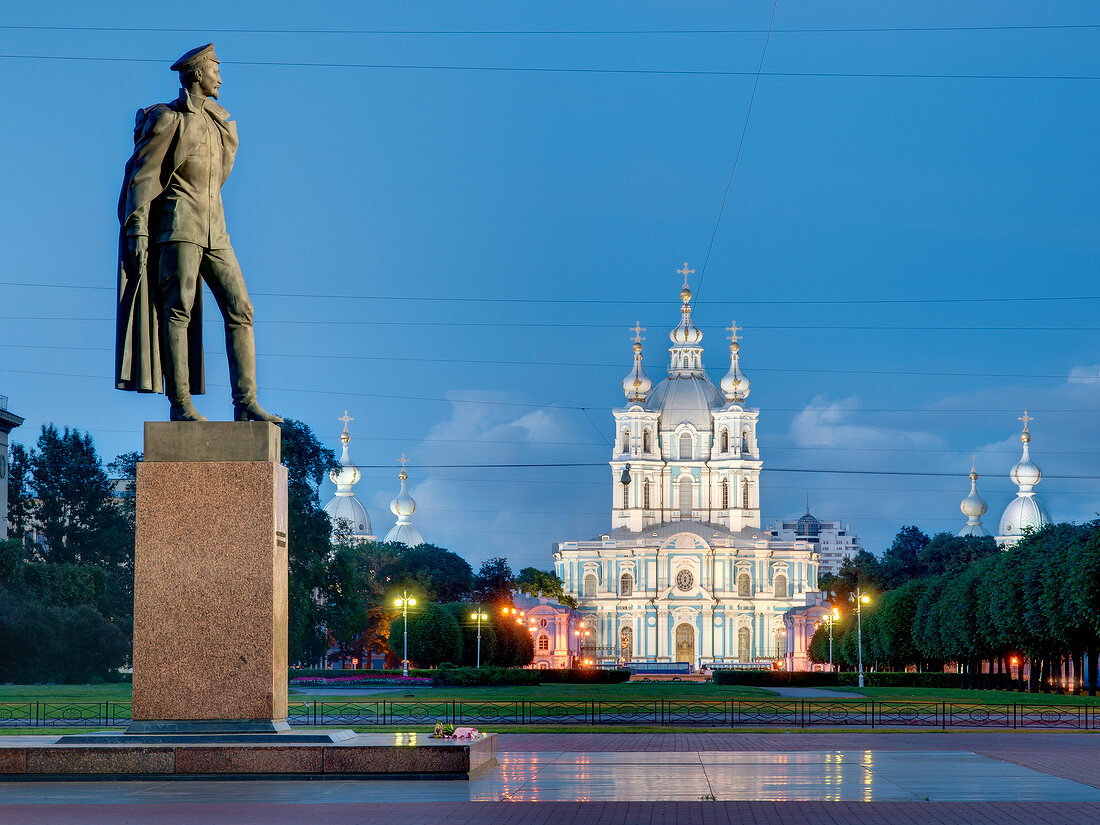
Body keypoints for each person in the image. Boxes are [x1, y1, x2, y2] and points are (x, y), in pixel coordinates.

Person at [115, 43, 281, 423]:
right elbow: (143, 176)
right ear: (196, 74)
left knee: (242, 309)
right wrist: (138, 228)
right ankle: (181, 404)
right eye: (215, 69)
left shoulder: (219, 121)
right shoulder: (169, 120)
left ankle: (246, 402)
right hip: (178, 227)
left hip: (216, 231)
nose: (220, 76)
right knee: (178, 310)